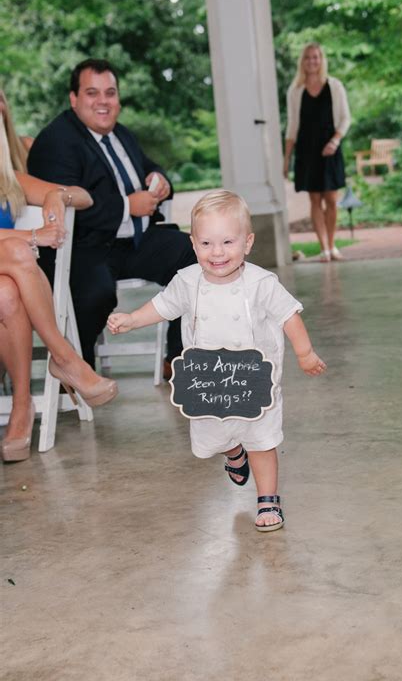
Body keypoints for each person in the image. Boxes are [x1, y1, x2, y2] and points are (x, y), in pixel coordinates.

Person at [107, 190, 327, 532]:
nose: (217, 252)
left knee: (262, 439)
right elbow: (163, 306)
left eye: (227, 241)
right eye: (206, 243)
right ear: (193, 244)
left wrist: (305, 352)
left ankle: (267, 498)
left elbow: (288, 316)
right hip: (207, 382)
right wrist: (133, 319)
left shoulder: (261, 283)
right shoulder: (187, 281)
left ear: (248, 242)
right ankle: (233, 453)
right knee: (216, 437)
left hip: (255, 381)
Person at [27, 58, 196, 374]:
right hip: (82, 247)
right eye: (92, 93)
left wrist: (160, 179)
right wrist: (126, 207)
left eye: (110, 93)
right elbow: (63, 204)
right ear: (74, 99)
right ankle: (77, 368)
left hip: (134, 240)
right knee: (97, 292)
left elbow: (148, 166)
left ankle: (177, 356)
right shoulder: (56, 141)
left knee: (197, 255)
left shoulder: (121, 134)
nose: (103, 101)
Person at [0, 111, 118, 463]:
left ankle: (23, 404)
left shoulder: (9, 181)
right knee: (20, 252)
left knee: (6, 293)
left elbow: (85, 197)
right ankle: (64, 357)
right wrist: (32, 235)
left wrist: (59, 196)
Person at [284, 43, 351, 262]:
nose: (312, 61)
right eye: (308, 58)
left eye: (316, 57)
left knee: (331, 199)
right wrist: (287, 159)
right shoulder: (295, 91)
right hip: (307, 150)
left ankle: (332, 246)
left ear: (321, 60)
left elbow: (345, 118)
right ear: (302, 62)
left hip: (330, 148)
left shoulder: (335, 86)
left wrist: (336, 140)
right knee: (314, 199)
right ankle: (323, 249)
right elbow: (292, 126)